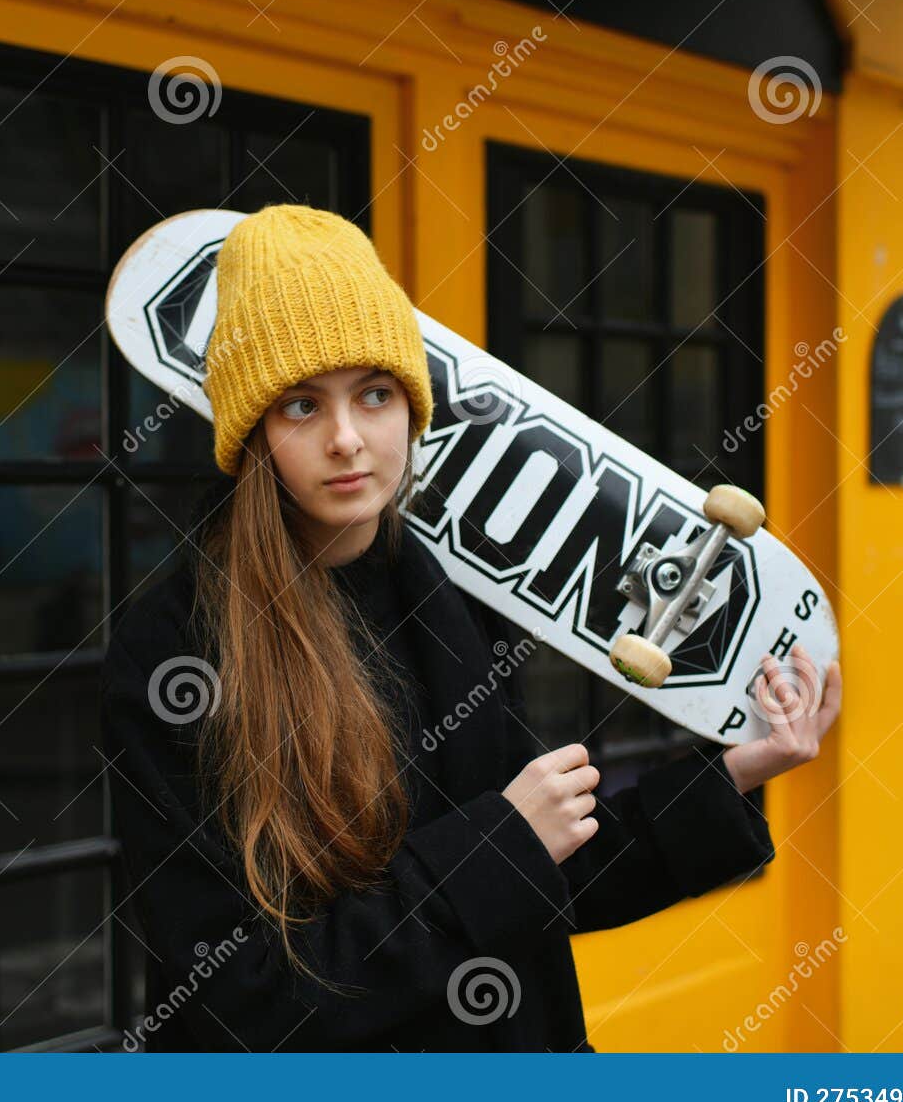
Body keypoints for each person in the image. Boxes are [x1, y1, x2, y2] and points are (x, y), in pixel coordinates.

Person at [98, 203, 843, 1051]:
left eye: (374, 395)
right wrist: (498, 848)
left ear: (412, 412)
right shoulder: (178, 652)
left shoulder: (449, 597)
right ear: (251, 430)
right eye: (301, 406)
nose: (346, 439)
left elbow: (549, 868)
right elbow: (245, 999)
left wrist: (740, 770)